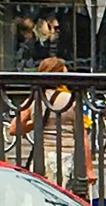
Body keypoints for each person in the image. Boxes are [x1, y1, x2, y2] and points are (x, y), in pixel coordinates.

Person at [11, 54, 92, 190]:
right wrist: (89, 168)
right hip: (65, 155)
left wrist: (36, 122)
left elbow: (13, 129)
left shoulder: (35, 99)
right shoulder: (70, 100)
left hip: (41, 156)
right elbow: (82, 137)